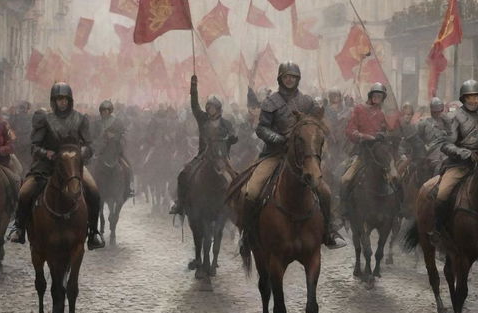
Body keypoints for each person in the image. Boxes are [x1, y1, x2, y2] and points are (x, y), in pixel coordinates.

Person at [245, 61, 345, 248]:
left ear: (298, 79)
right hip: (275, 155)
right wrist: (279, 139)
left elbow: (317, 123)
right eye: (286, 76)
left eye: (293, 77)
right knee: (251, 191)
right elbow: (261, 129)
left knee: (324, 191)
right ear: (280, 78)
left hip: (302, 157)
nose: (289, 79)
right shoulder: (270, 102)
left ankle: (329, 231)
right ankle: (249, 234)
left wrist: (322, 114)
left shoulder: (306, 101)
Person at [6, 83, 105, 249]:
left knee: (94, 192)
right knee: (24, 192)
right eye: (59, 99)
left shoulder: (80, 119)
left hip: (73, 166)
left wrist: (82, 152)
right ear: (54, 100)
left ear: (70, 100)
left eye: (65, 99)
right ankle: (19, 228)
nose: (63, 102)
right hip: (47, 166)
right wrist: (46, 153)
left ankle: (93, 233)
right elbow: (34, 146)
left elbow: (89, 144)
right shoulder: (45, 120)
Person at [432, 80, 478, 241]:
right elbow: (445, 144)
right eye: (469, 97)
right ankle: (438, 230)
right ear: (463, 98)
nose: (473, 100)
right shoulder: (454, 116)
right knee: (442, 193)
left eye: (475, 97)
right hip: (461, 164)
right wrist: (464, 152)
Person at [169, 75, 237, 215]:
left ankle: (237, 206)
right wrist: (193, 87)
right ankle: (180, 204)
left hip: (222, 159)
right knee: (183, 174)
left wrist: (232, 138)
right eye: (209, 107)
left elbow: (232, 137)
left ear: (218, 108)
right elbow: (194, 106)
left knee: (236, 178)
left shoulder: (226, 123)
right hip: (203, 156)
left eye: (213, 107)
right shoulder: (202, 119)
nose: (210, 110)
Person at [341, 83, 396, 202]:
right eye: (375, 94)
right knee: (345, 179)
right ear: (370, 96)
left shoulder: (381, 114)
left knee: (395, 177)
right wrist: (364, 136)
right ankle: (341, 212)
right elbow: (350, 130)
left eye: (380, 95)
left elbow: (387, 132)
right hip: (362, 151)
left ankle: (399, 209)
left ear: (383, 98)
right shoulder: (359, 109)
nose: (377, 97)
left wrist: (384, 135)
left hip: (380, 151)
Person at [94, 100, 134, 200]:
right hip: (100, 151)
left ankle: (128, 189)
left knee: (128, 167)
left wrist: (114, 137)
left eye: (107, 110)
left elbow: (124, 136)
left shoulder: (117, 122)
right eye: (103, 110)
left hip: (115, 151)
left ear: (110, 111)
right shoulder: (97, 123)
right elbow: (92, 136)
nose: (105, 112)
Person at [417, 97, 449, 177]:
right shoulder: (424, 123)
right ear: (432, 111)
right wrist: (424, 149)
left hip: (446, 151)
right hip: (431, 153)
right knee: (438, 167)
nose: (438, 113)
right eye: (435, 112)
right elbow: (418, 139)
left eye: (439, 111)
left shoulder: (447, 122)